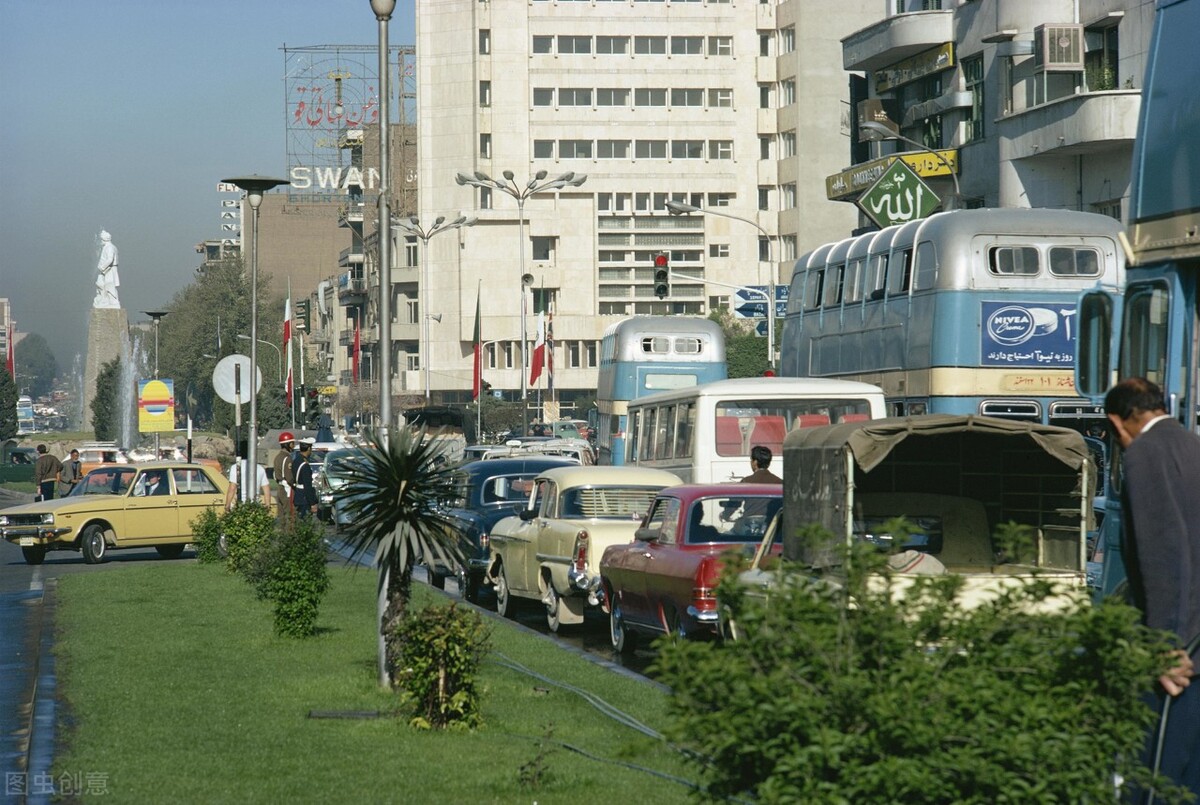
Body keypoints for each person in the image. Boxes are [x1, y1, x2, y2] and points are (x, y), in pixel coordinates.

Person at [1104, 377, 1200, 797]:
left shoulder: (1144, 454)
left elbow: (1164, 555)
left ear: (1117, 422)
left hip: (1179, 650)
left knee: (1155, 773)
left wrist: (1167, 644)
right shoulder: (1192, 446)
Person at [225, 441, 271, 511]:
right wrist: (267, 505)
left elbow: (232, 488)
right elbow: (266, 489)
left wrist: (227, 505)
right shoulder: (259, 468)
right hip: (256, 505)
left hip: (241, 505)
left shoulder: (236, 467)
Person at [291, 437, 319, 520]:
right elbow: (307, 486)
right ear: (309, 448)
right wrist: (312, 503)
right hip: (304, 498)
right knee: (305, 522)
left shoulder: (296, 461)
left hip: (298, 495)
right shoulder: (305, 465)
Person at [94, 230, 121, 309]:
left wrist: (102, 267)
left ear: (103, 239)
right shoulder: (110, 247)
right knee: (101, 284)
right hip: (107, 270)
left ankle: (112, 301)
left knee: (109, 284)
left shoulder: (109, 247)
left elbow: (110, 259)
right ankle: (105, 299)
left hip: (109, 269)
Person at [273, 432, 296, 515]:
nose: (293, 446)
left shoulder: (278, 457)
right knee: (290, 514)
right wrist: (295, 485)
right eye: (292, 443)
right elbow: (289, 477)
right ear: (288, 444)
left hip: (280, 487)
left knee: (281, 514)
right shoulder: (287, 458)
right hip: (287, 489)